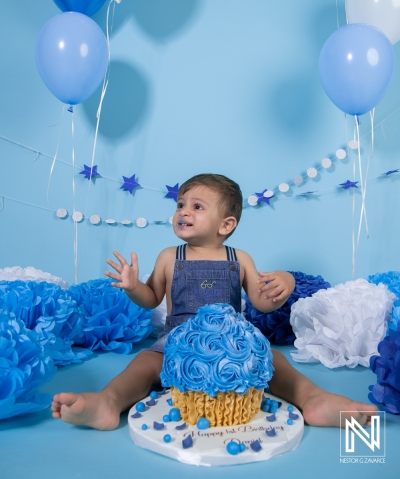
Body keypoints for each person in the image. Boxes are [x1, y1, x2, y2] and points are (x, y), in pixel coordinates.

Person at [52, 173, 376, 430]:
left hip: (232, 342)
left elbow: (261, 305)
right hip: (177, 340)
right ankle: (108, 403)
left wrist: (283, 286)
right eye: (180, 204)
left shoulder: (240, 259)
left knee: (275, 361)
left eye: (197, 206)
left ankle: (313, 399)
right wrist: (132, 285)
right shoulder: (169, 257)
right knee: (142, 365)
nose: (183, 211)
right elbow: (151, 299)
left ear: (226, 225)